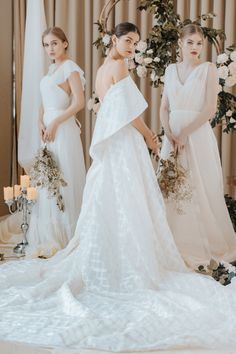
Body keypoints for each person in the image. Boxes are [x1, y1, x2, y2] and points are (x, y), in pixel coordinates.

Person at [0, 22, 236, 352]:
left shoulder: (102, 67)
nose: (131, 47)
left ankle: (110, 254)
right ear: (115, 39)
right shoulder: (120, 65)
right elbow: (130, 114)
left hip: (110, 144)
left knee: (113, 199)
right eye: (127, 40)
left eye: (135, 43)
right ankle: (127, 259)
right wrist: (150, 137)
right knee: (131, 198)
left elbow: (111, 106)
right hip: (123, 141)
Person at [160, 23, 236, 268]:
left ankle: (201, 244)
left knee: (199, 188)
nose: (195, 47)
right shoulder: (170, 70)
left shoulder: (208, 69)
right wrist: (170, 133)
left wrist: (184, 133)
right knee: (170, 188)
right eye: (190, 42)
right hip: (171, 138)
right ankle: (169, 243)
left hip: (196, 135)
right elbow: (164, 106)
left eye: (199, 43)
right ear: (180, 44)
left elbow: (210, 109)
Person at [26, 27, 86, 257]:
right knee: (48, 179)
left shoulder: (69, 68)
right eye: (46, 45)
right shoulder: (51, 71)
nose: (50, 48)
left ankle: (68, 235)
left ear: (65, 43)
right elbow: (44, 102)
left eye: (54, 43)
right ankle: (50, 235)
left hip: (63, 129)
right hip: (48, 130)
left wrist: (56, 123)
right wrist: (40, 122)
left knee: (64, 176)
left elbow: (78, 102)